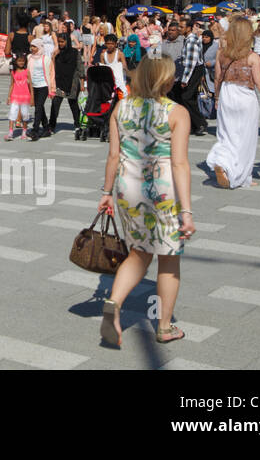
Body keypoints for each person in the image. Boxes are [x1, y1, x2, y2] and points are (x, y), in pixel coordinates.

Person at [97, 56, 196, 348]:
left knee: (139, 253)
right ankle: (165, 327)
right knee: (168, 258)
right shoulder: (177, 112)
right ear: (166, 81)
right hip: (162, 193)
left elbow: (113, 155)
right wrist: (187, 211)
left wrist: (105, 193)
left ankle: (113, 303)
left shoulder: (122, 107)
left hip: (127, 190)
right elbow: (179, 164)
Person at [207, 18, 260, 189]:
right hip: (246, 96)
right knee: (246, 137)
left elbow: (217, 78)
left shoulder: (222, 54)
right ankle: (243, 176)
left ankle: (222, 162)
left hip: (226, 94)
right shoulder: (252, 57)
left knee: (226, 134)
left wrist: (216, 98)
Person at [175, 20, 208, 137]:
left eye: (181, 26)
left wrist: (185, 79)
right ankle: (194, 125)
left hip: (194, 71)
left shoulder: (191, 41)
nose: (179, 28)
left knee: (186, 97)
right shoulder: (188, 39)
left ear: (188, 28)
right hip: (194, 70)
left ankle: (201, 123)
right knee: (191, 98)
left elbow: (191, 62)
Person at [49, 32, 86, 133]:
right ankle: (51, 126)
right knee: (55, 104)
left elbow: (80, 68)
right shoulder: (57, 53)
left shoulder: (74, 52)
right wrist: (53, 57)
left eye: (62, 42)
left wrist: (82, 83)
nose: (60, 44)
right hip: (59, 82)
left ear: (67, 41)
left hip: (72, 82)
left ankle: (77, 125)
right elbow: (52, 68)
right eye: (59, 42)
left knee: (73, 104)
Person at [26, 37, 57, 141]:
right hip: (33, 86)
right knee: (40, 107)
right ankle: (46, 127)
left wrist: (52, 89)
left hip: (43, 86)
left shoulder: (46, 59)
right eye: (31, 46)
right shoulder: (29, 57)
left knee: (38, 107)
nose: (32, 48)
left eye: (34, 46)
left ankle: (35, 130)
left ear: (39, 47)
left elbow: (51, 74)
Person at [6, 54, 32, 141]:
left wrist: (32, 97)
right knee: (12, 113)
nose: (21, 63)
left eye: (23, 61)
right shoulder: (13, 72)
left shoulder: (27, 71)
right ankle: (10, 132)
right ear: (15, 62)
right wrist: (9, 96)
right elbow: (12, 84)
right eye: (19, 61)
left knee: (25, 114)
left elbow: (30, 85)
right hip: (15, 96)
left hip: (25, 96)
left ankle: (24, 132)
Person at [99, 33, 128, 97]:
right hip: (108, 81)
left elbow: (125, 67)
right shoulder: (103, 55)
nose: (110, 46)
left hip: (119, 82)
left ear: (115, 44)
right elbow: (102, 69)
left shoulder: (120, 54)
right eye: (108, 44)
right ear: (105, 44)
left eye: (112, 44)